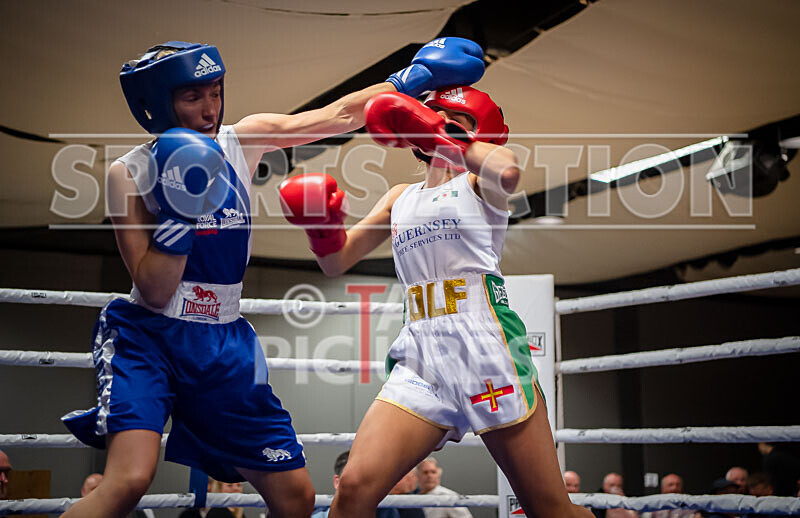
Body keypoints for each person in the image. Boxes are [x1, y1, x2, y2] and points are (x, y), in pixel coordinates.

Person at [59, 37, 484, 518]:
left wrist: (412, 79)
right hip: (150, 335)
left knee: (296, 497)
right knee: (129, 480)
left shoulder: (240, 140)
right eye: (192, 97)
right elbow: (155, 289)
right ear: (158, 104)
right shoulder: (128, 173)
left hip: (223, 340)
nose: (210, 109)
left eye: (216, 92)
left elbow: (339, 116)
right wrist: (182, 211)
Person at [280, 83, 594, 518]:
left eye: (456, 124)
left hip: (486, 343)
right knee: (353, 488)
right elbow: (336, 261)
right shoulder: (399, 198)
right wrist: (321, 227)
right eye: (430, 121)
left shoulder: (479, 185)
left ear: (479, 133)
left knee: (549, 509)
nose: (436, 131)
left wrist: (437, 128)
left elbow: (508, 171)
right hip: (422, 352)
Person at [81, 473, 155, 518]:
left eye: (102, 489)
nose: (97, 493)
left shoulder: (140, 510)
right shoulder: (75, 512)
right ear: (83, 492)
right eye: (93, 489)